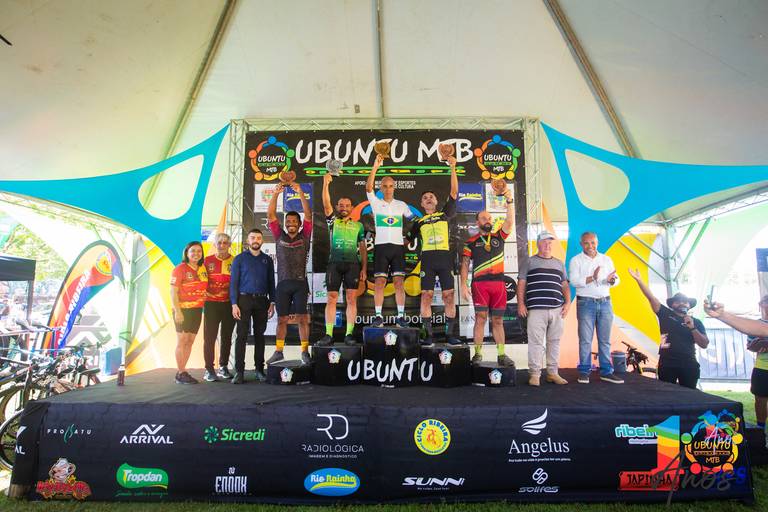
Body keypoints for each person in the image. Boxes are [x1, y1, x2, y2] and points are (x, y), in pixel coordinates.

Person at [407, 154, 460, 345]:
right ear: (421, 204)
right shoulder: (418, 222)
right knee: (426, 295)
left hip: (445, 258)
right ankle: (428, 336)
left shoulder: (445, 214)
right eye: (425, 198)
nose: (428, 199)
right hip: (428, 260)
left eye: (431, 197)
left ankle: (449, 335)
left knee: (449, 295)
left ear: (436, 202)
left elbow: (454, 192)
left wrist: (452, 167)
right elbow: (406, 241)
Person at [459, 188, 515, 367]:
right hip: (480, 285)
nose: (488, 220)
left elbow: (510, 221)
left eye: (489, 218)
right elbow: (465, 265)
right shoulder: (470, 242)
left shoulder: (499, 236)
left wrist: (509, 201)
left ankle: (501, 355)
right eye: (484, 218)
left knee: (498, 320)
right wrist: (463, 285)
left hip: (499, 284)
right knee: (481, 318)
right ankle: (477, 354)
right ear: (477, 222)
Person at [629, 269, 709, 389]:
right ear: (672, 305)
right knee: (666, 393)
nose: (682, 303)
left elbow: (704, 344)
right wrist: (639, 280)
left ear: (689, 305)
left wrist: (692, 328)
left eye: (685, 302)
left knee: (689, 395)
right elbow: (651, 298)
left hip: (688, 363)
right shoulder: (665, 314)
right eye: (678, 302)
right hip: (667, 363)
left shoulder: (696, 322)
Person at [706, 295, 768, 435]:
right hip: (763, 368)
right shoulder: (760, 324)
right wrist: (722, 315)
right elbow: (760, 330)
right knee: (760, 399)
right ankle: (761, 429)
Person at [366, 154, 416, 327]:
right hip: (381, 248)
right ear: (381, 187)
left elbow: (414, 222)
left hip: (397, 248)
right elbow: (368, 187)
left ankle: (401, 317)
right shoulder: (375, 203)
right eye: (385, 186)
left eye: (390, 186)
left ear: (394, 187)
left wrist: (409, 237)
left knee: (398, 283)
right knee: (379, 282)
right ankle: (378, 317)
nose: (388, 189)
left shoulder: (401, 205)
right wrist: (375, 166)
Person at [317, 173, 367, 346]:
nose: (344, 208)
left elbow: (363, 248)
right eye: (341, 205)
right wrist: (325, 184)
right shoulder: (333, 221)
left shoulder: (359, 225)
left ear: (352, 208)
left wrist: (364, 268)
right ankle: (328, 334)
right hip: (334, 264)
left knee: (351, 299)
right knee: (332, 297)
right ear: (337, 207)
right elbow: (326, 204)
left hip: (353, 264)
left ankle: (349, 334)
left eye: (347, 205)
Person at [267, 182, 313, 365]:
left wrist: (300, 192)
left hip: (300, 284)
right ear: (285, 224)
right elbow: (271, 215)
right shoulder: (279, 236)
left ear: (299, 224)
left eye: (294, 221)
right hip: (283, 284)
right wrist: (276, 194)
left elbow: (308, 214)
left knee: (302, 319)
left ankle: (305, 351)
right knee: (282, 320)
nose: (291, 223)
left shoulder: (305, 235)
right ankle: (279, 351)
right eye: (288, 221)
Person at [517, 232, 571, 386]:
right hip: (536, 309)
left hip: (557, 309)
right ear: (538, 243)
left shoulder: (559, 263)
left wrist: (568, 302)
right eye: (544, 242)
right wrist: (521, 303)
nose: (548, 245)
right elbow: (521, 283)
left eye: (550, 242)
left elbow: (564, 285)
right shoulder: (529, 262)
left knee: (554, 341)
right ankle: (535, 374)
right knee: (535, 342)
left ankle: (552, 373)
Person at [568, 231, 623, 384]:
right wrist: (593, 277)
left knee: (605, 340)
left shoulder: (606, 259)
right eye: (586, 243)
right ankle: (584, 371)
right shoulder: (576, 260)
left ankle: (606, 372)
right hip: (586, 303)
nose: (590, 246)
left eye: (593, 242)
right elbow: (574, 281)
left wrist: (612, 280)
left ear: (597, 243)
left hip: (605, 302)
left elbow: (616, 279)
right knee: (585, 340)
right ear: (581, 244)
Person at [230, 228, 275, 384]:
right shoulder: (239, 259)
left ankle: (259, 370)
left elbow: (271, 282)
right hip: (243, 300)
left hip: (262, 301)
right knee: (241, 335)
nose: (256, 240)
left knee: (259, 336)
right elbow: (233, 283)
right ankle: (239, 372)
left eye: (258, 238)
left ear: (262, 240)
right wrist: (234, 304)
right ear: (247, 240)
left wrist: (272, 302)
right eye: (253, 238)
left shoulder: (267, 260)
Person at [170, 241, 208, 384]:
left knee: (190, 341)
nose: (196, 254)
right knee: (182, 340)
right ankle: (181, 372)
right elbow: (173, 292)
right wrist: (178, 312)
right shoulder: (179, 269)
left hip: (197, 310)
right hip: (183, 310)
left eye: (199, 251)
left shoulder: (202, 268)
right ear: (187, 253)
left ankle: (183, 371)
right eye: (193, 251)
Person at [201, 233, 236, 382]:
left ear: (229, 245)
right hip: (211, 304)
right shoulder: (206, 261)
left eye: (225, 243)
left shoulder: (235, 261)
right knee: (209, 337)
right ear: (215, 245)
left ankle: (223, 366)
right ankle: (209, 369)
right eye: (219, 243)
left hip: (229, 304)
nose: (222, 245)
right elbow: (201, 281)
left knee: (226, 337)